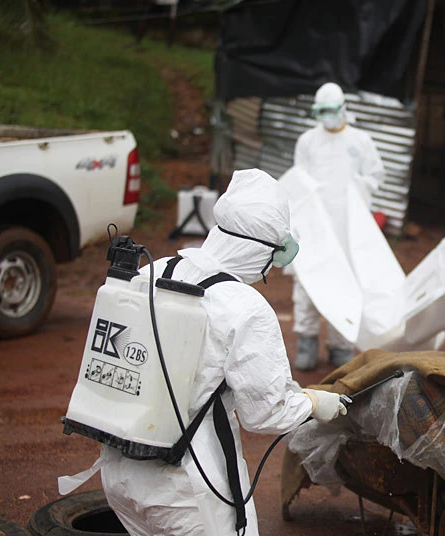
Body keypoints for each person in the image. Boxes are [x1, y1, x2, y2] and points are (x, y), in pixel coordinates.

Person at [99, 169, 349, 536]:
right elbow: (265, 412)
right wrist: (312, 403)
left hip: (120, 470)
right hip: (186, 486)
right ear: (263, 249)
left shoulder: (154, 269)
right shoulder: (245, 306)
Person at [292, 82, 386, 370]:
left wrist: (356, 189)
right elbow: (298, 179)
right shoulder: (307, 141)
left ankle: (340, 345)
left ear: (344, 108)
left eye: (332, 110)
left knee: (345, 286)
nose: (328, 116)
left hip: (347, 229)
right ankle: (306, 341)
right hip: (313, 227)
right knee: (307, 284)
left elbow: (375, 175)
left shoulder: (361, 141)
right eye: (322, 111)